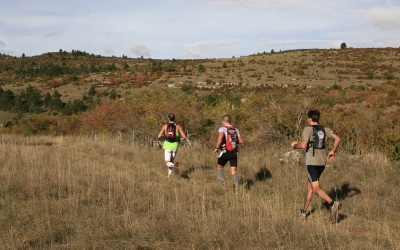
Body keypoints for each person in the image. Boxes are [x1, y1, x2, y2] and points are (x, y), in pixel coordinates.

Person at [291, 109, 341, 223]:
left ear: (309, 119)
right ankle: (303, 212)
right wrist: (333, 151)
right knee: (310, 187)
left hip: (312, 163)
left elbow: (303, 145)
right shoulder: (325, 129)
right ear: (318, 118)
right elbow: (337, 138)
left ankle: (333, 204)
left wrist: (294, 145)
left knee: (316, 189)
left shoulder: (308, 129)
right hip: (322, 162)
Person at [213, 115, 244, 191]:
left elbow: (220, 138)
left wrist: (216, 148)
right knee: (233, 171)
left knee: (219, 167)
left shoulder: (222, 128)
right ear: (230, 121)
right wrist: (233, 141)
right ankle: (236, 188)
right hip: (234, 152)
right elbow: (241, 141)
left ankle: (224, 185)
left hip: (225, 151)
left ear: (223, 121)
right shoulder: (236, 129)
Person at [157, 113, 186, 178]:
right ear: (174, 118)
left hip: (167, 146)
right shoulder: (178, 127)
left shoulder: (165, 126)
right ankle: (168, 176)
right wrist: (180, 140)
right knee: (171, 160)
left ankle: (174, 166)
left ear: (168, 118)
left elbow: (158, 136)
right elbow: (184, 137)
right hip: (175, 146)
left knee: (167, 162)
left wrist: (164, 136)